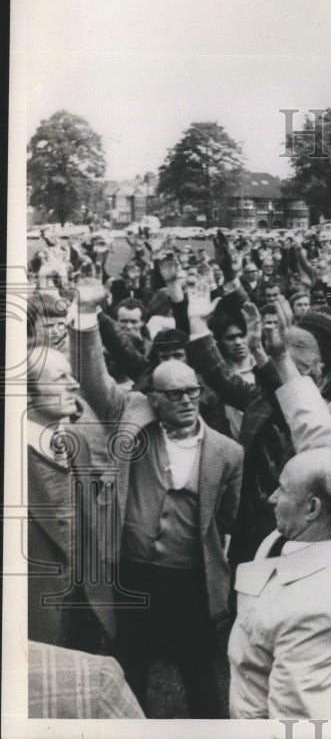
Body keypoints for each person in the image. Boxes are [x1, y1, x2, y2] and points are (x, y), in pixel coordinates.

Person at [70, 279, 243, 718]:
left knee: (200, 674)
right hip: (133, 574)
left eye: (192, 392)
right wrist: (88, 315)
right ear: (155, 398)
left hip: (189, 581)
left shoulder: (226, 452)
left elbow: (227, 517)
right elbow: (92, 380)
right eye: (174, 394)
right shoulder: (133, 416)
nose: (186, 401)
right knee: (130, 669)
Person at [228, 449, 331, 719]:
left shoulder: (317, 610)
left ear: (312, 508)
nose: (272, 497)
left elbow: (296, 718)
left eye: (283, 489)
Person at [26, 347, 116, 653]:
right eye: (60, 378)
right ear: (26, 394)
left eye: (71, 374)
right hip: (34, 617)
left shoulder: (77, 443)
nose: (73, 384)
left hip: (87, 606)